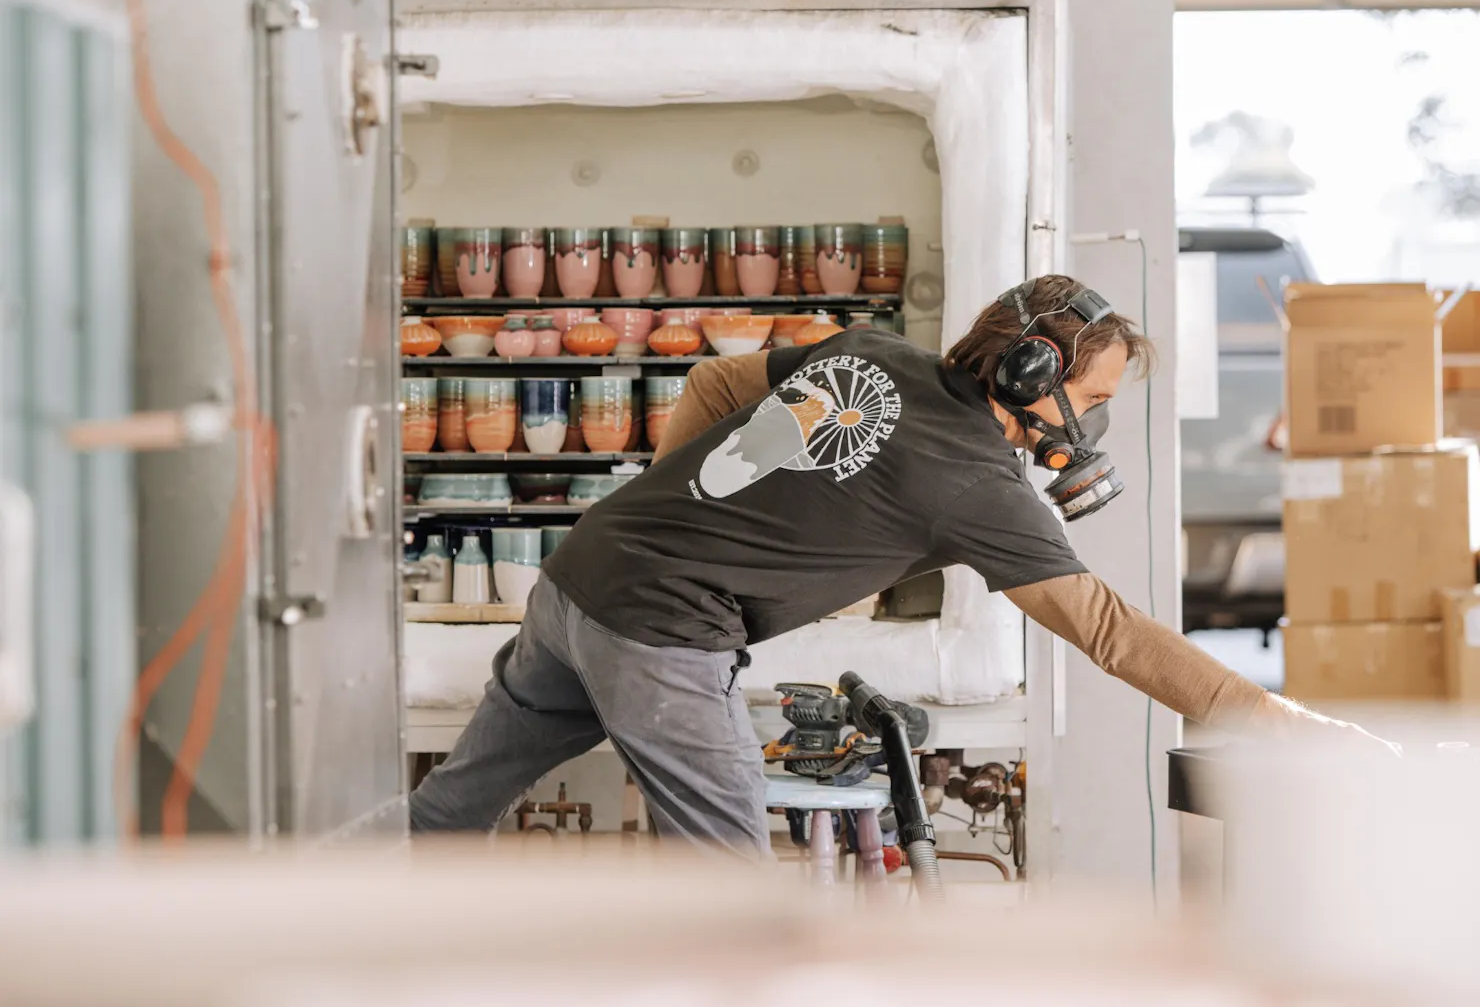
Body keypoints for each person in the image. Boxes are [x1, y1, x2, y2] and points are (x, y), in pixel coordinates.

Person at [409, 275, 1395, 853]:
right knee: (726, 892)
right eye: (1091, 397)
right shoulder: (979, 484)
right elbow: (1107, 631)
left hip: (580, 574)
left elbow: (714, 376)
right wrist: (1281, 720)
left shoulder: (872, 351)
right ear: (1034, 375)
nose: (1091, 423)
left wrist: (670, 512)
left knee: (449, 813)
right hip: (660, 632)